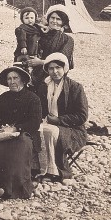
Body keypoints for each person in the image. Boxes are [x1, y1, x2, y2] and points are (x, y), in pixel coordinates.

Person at [0, 65, 42, 199]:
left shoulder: (33, 99)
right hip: (3, 133)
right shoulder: (2, 98)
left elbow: (35, 122)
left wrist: (16, 128)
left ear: (23, 80)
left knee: (19, 146)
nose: (12, 81)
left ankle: (14, 189)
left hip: (24, 134)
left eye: (15, 78)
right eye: (9, 79)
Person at [37, 53, 88, 181]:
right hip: (48, 123)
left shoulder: (75, 87)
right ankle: (38, 168)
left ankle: (54, 171)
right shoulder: (44, 86)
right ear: (47, 70)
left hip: (72, 129)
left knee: (48, 131)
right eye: (51, 68)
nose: (55, 71)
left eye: (58, 67)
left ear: (64, 68)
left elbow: (82, 116)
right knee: (36, 130)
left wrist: (59, 120)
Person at [27, 7, 75, 88]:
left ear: (63, 22)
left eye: (58, 19)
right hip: (35, 73)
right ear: (48, 19)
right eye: (52, 18)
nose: (54, 21)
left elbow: (63, 60)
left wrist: (41, 62)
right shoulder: (41, 34)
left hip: (55, 75)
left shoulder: (67, 39)